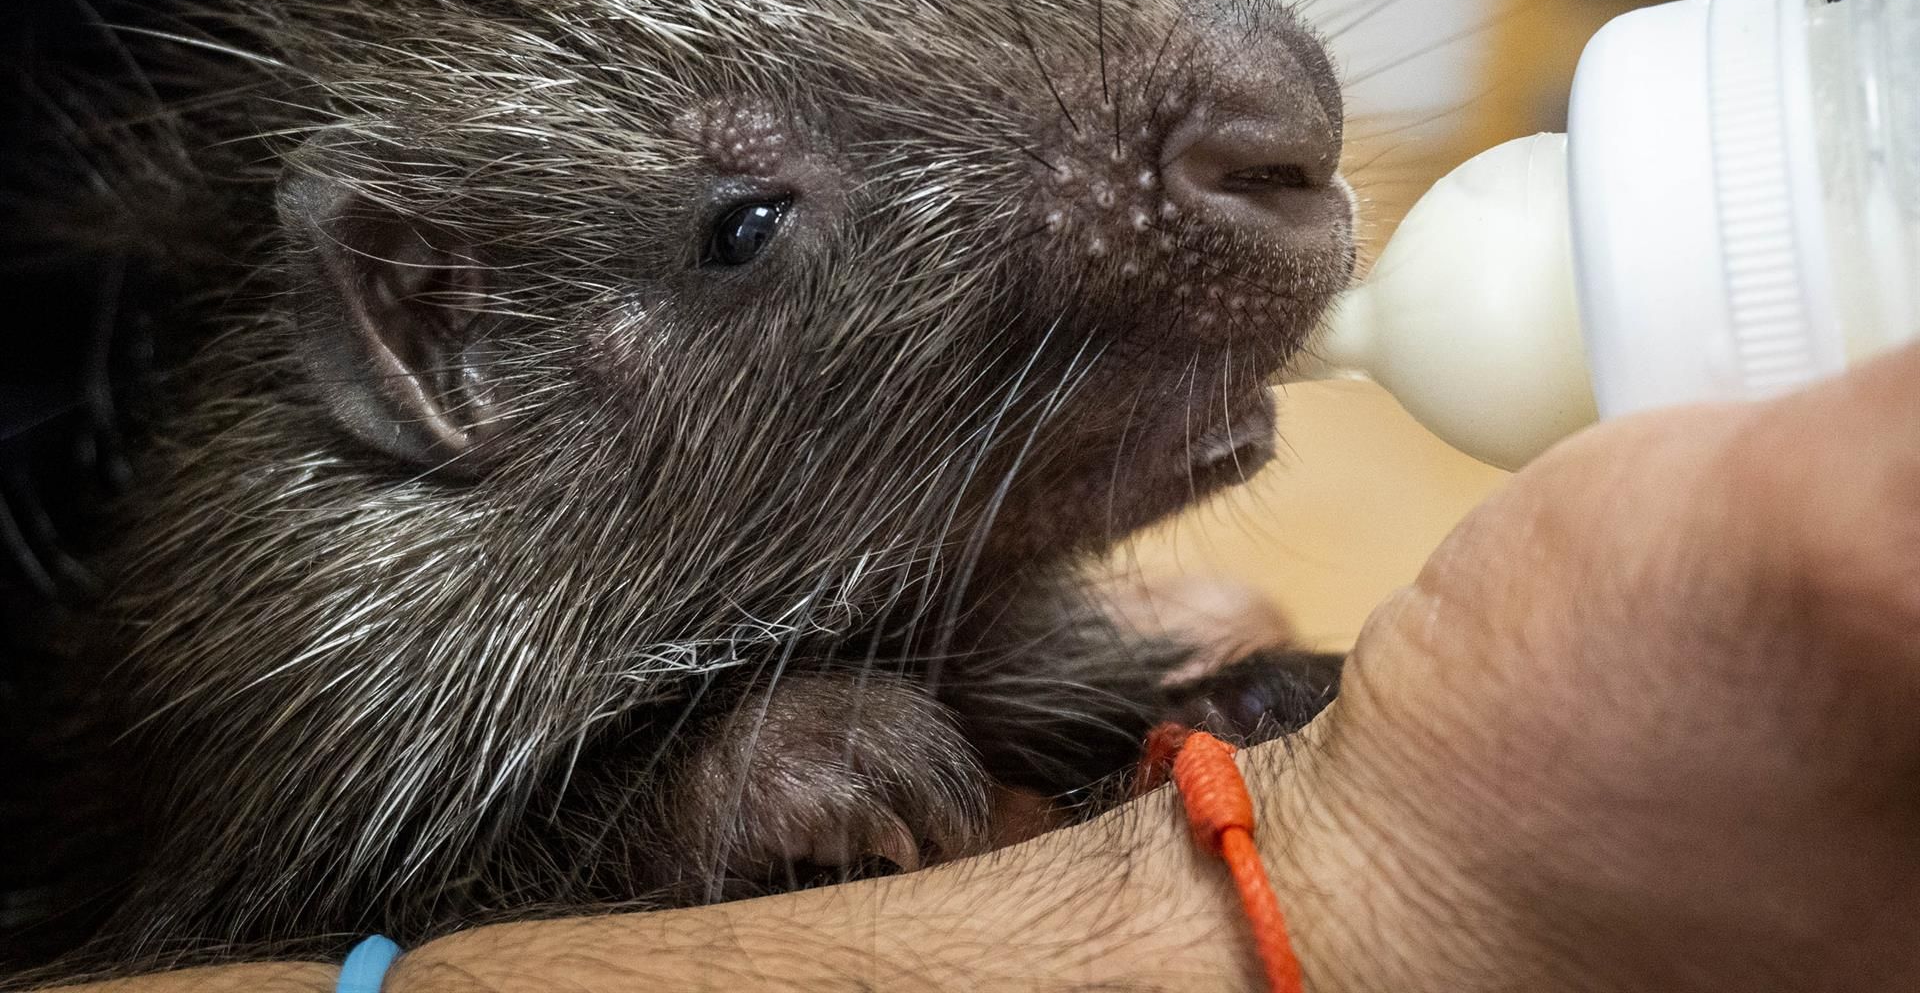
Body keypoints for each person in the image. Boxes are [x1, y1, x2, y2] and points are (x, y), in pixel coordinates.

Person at [59, 340, 1920, 990]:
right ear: (430, 346)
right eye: (748, 233)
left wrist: (1242, 746)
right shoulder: (340, 655)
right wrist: (1386, 887)